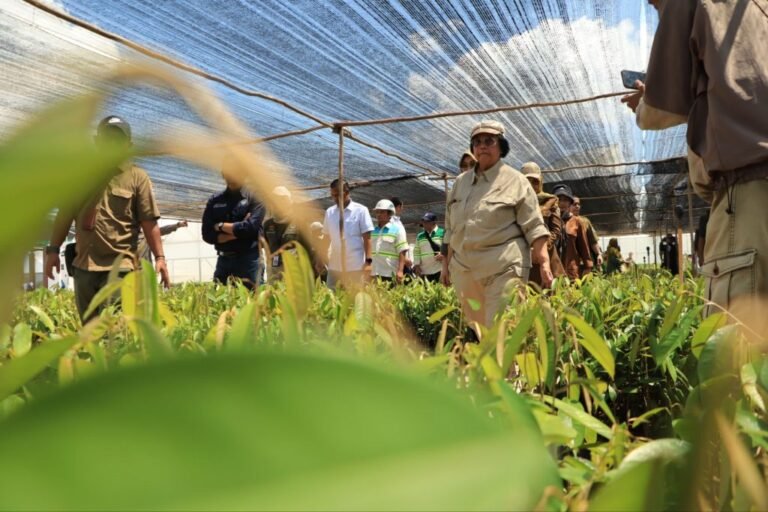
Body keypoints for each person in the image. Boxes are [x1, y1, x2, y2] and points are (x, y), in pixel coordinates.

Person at [621, 0, 768, 316]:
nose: (653, 6)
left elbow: (660, 108)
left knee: (740, 338)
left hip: (751, 198)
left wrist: (645, 103)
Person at [44, 115, 169, 322]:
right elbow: (64, 216)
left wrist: (160, 258)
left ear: (128, 145)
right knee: (89, 330)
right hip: (84, 268)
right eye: (107, 137)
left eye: (118, 139)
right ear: (97, 141)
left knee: (114, 328)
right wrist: (53, 251)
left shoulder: (137, 177)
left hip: (120, 268)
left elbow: (149, 222)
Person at [441, 120, 552, 327]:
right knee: (479, 330)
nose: (482, 146)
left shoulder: (516, 181)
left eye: (489, 141)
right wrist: (445, 267)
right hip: (465, 272)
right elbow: (450, 230)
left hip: (504, 269)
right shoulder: (460, 184)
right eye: (477, 142)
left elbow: (534, 226)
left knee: (501, 330)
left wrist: (544, 262)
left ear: (501, 146)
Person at [201, 160, 265, 289]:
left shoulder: (256, 197)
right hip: (223, 261)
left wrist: (219, 226)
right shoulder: (215, 200)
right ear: (223, 173)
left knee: (253, 297)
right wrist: (238, 231)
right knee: (220, 298)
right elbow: (207, 235)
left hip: (248, 260)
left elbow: (250, 228)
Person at [323, 179, 374, 290]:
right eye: (332, 195)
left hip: (355, 266)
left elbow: (367, 238)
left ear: (346, 193)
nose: (335, 198)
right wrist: (320, 258)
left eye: (337, 195)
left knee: (353, 296)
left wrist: (368, 262)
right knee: (331, 296)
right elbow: (326, 237)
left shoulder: (361, 211)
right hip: (334, 267)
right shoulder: (329, 212)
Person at [521, 162, 565, 287]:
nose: (531, 185)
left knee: (550, 294)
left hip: (548, 259)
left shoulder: (550, 201)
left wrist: (541, 249)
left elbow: (556, 230)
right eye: (527, 181)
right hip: (525, 260)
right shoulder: (516, 203)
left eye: (535, 181)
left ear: (540, 182)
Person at [262, 186, 305, 282]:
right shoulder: (268, 224)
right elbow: (264, 245)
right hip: (273, 268)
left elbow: (307, 248)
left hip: (292, 269)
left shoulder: (299, 223)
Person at [552, 184, 593, 280]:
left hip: (571, 272)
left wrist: (588, 266)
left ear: (570, 203)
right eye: (559, 199)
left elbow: (583, 246)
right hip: (553, 271)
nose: (562, 203)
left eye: (565, 200)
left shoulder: (577, 222)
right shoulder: (548, 221)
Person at [370, 199, 408, 284]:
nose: (378, 214)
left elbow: (402, 250)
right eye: (377, 212)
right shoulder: (373, 231)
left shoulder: (397, 230)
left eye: (382, 212)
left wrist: (400, 270)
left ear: (389, 213)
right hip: (374, 272)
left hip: (389, 273)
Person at [572, 197, 603, 270]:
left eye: (578, 204)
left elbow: (593, 240)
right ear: (568, 205)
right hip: (571, 261)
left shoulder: (585, 221)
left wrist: (599, 254)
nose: (577, 206)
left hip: (585, 260)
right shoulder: (564, 221)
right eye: (574, 204)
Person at [413, 212, 444, 283]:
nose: (424, 224)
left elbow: (449, 248)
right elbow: (416, 251)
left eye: (426, 222)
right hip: (424, 271)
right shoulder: (420, 236)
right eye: (423, 221)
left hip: (439, 269)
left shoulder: (442, 233)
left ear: (433, 222)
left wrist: (443, 254)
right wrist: (417, 265)